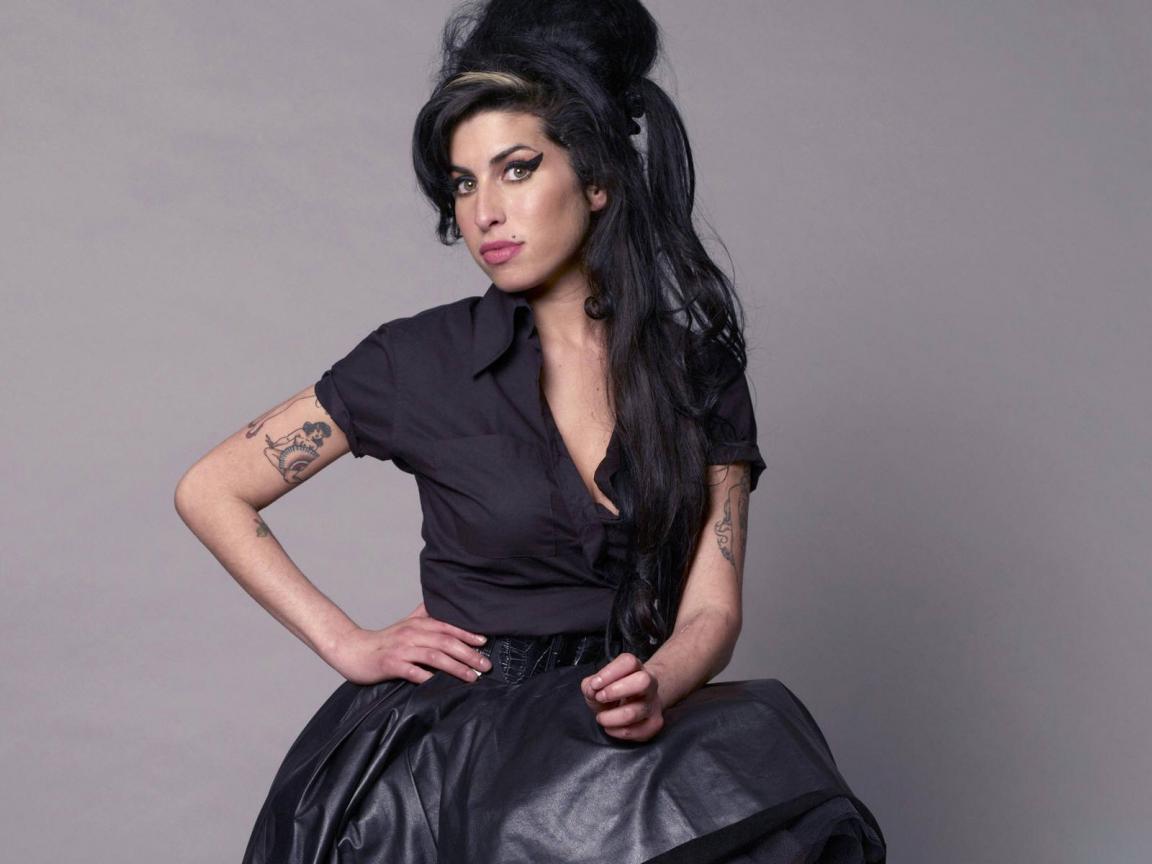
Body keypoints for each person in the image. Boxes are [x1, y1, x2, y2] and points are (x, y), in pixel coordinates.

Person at [174, 1, 887, 861]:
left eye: (515, 170)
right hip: (452, 757)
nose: (484, 211)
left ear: (596, 180)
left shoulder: (697, 371)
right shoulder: (417, 360)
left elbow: (712, 605)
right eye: (463, 183)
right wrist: (348, 643)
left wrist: (657, 681)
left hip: (624, 729)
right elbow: (212, 489)